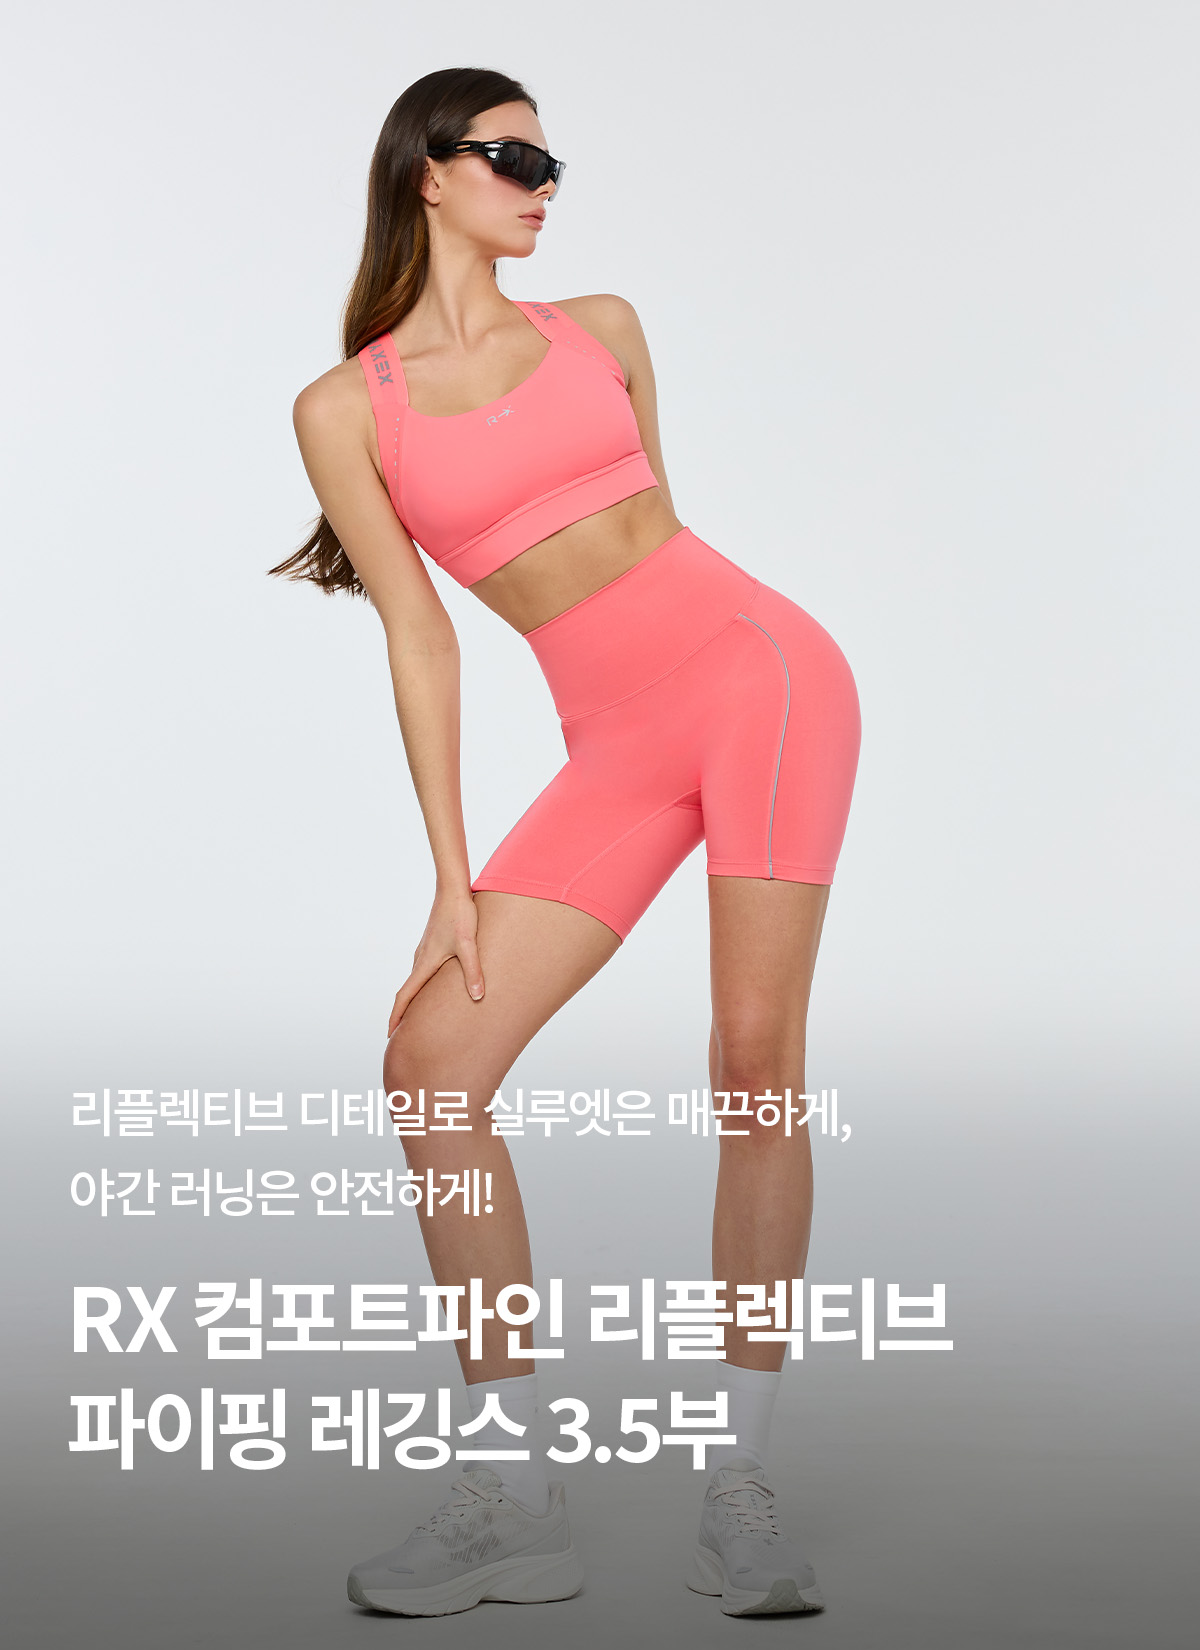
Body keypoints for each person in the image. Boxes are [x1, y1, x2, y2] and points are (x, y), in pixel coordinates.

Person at [276, 65, 861, 1620]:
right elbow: (421, 636)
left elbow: (664, 538)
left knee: (754, 1060)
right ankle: (512, 1489)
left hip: (762, 682)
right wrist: (451, 878)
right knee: (432, 1065)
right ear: (428, 173)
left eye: (552, 161)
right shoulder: (348, 409)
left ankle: (737, 1483)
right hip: (614, 747)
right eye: (513, 157)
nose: (544, 185)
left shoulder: (601, 328)